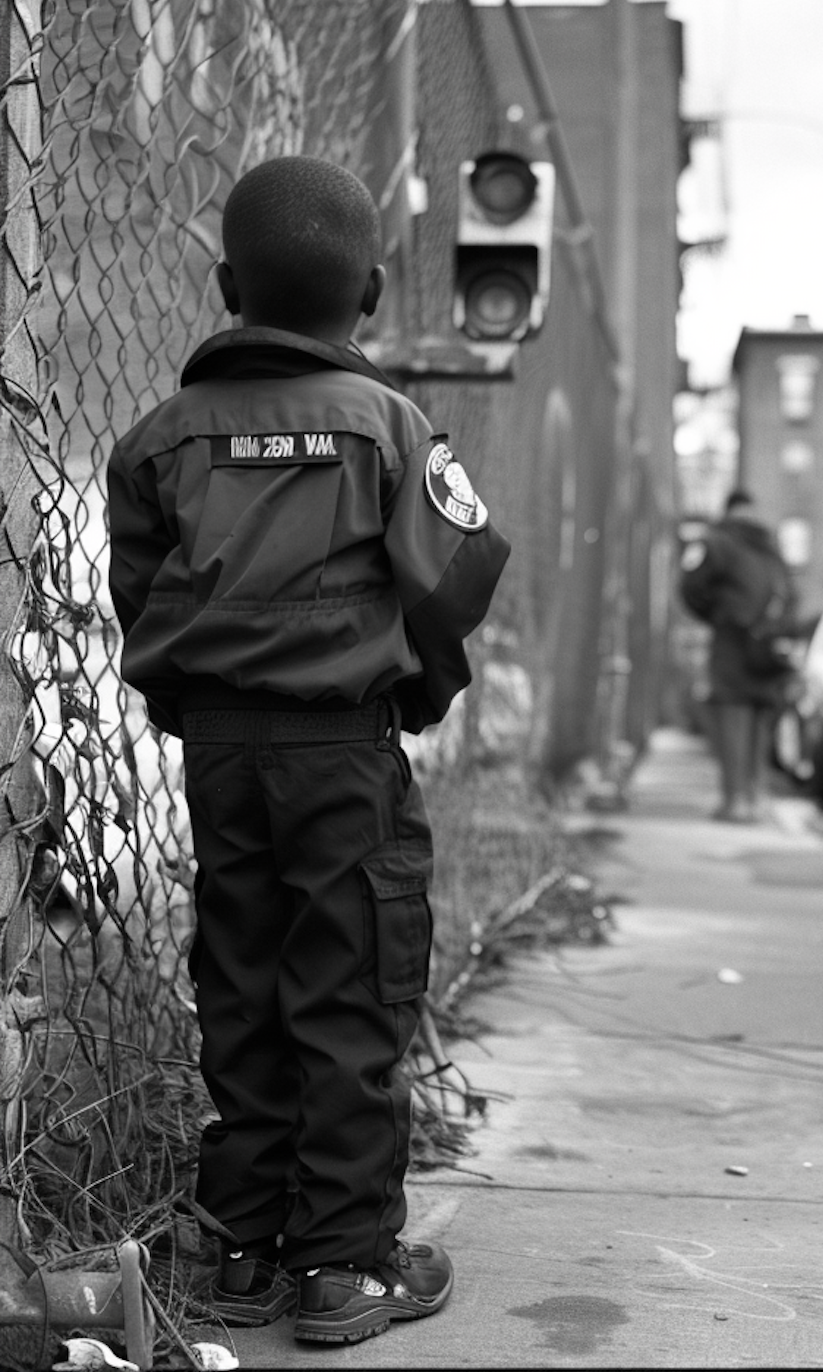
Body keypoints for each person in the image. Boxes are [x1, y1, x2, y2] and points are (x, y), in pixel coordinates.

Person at [107, 156, 510, 1346]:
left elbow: (142, 595)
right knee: (349, 989)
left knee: (240, 984)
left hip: (223, 762)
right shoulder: (390, 424)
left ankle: (238, 1251)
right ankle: (341, 1268)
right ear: (374, 293)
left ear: (226, 283)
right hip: (343, 754)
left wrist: (194, 706)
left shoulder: (160, 438)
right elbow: (461, 574)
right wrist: (419, 690)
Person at [679, 489, 797, 822]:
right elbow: (792, 594)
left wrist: (716, 614)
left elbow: (689, 587)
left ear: (728, 511)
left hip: (733, 640)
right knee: (759, 716)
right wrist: (775, 627)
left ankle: (736, 802)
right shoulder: (771, 548)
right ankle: (755, 797)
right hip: (767, 645)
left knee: (734, 713)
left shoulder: (717, 541)